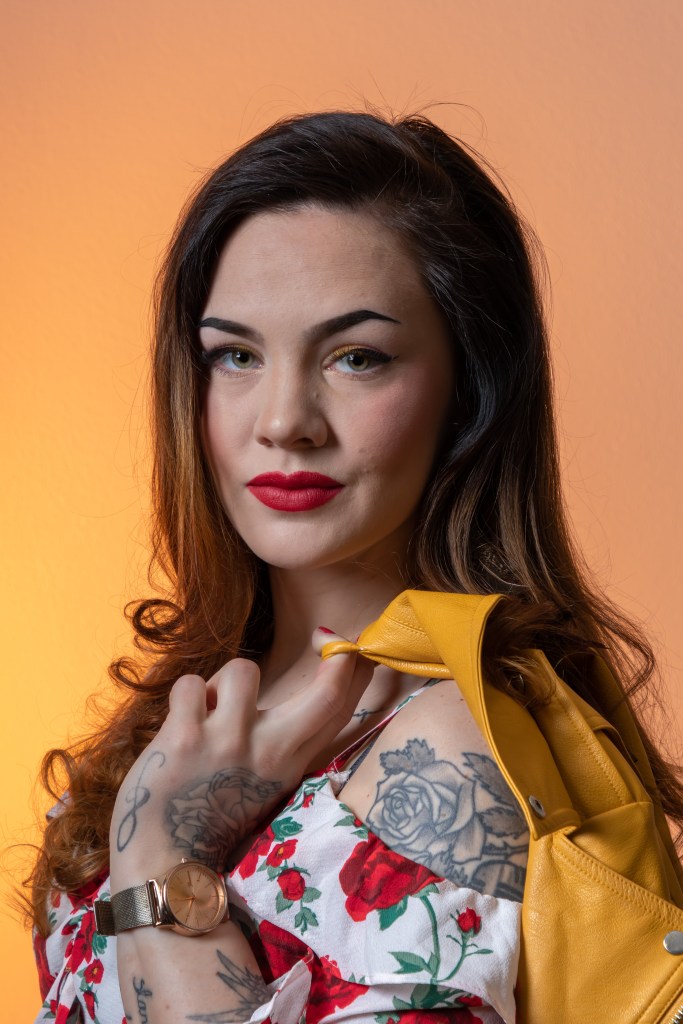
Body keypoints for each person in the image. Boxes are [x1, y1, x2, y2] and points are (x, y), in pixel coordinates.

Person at [28, 109, 683, 1024]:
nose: (283, 420)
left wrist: (162, 857)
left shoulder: (450, 750)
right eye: (236, 355)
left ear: (469, 391)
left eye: (356, 357)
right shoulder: (177, 714)